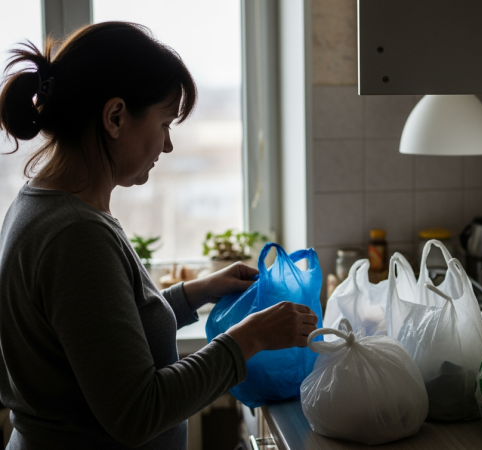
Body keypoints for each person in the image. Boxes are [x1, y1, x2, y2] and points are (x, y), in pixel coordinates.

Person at [0, 22, 318, 449]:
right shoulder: (75, 235)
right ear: (115, 117)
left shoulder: (41, 205)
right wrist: (250, 338)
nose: (167, 146)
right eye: (165, 123)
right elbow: (137, 411)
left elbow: (101, 336)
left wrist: (194, 292)